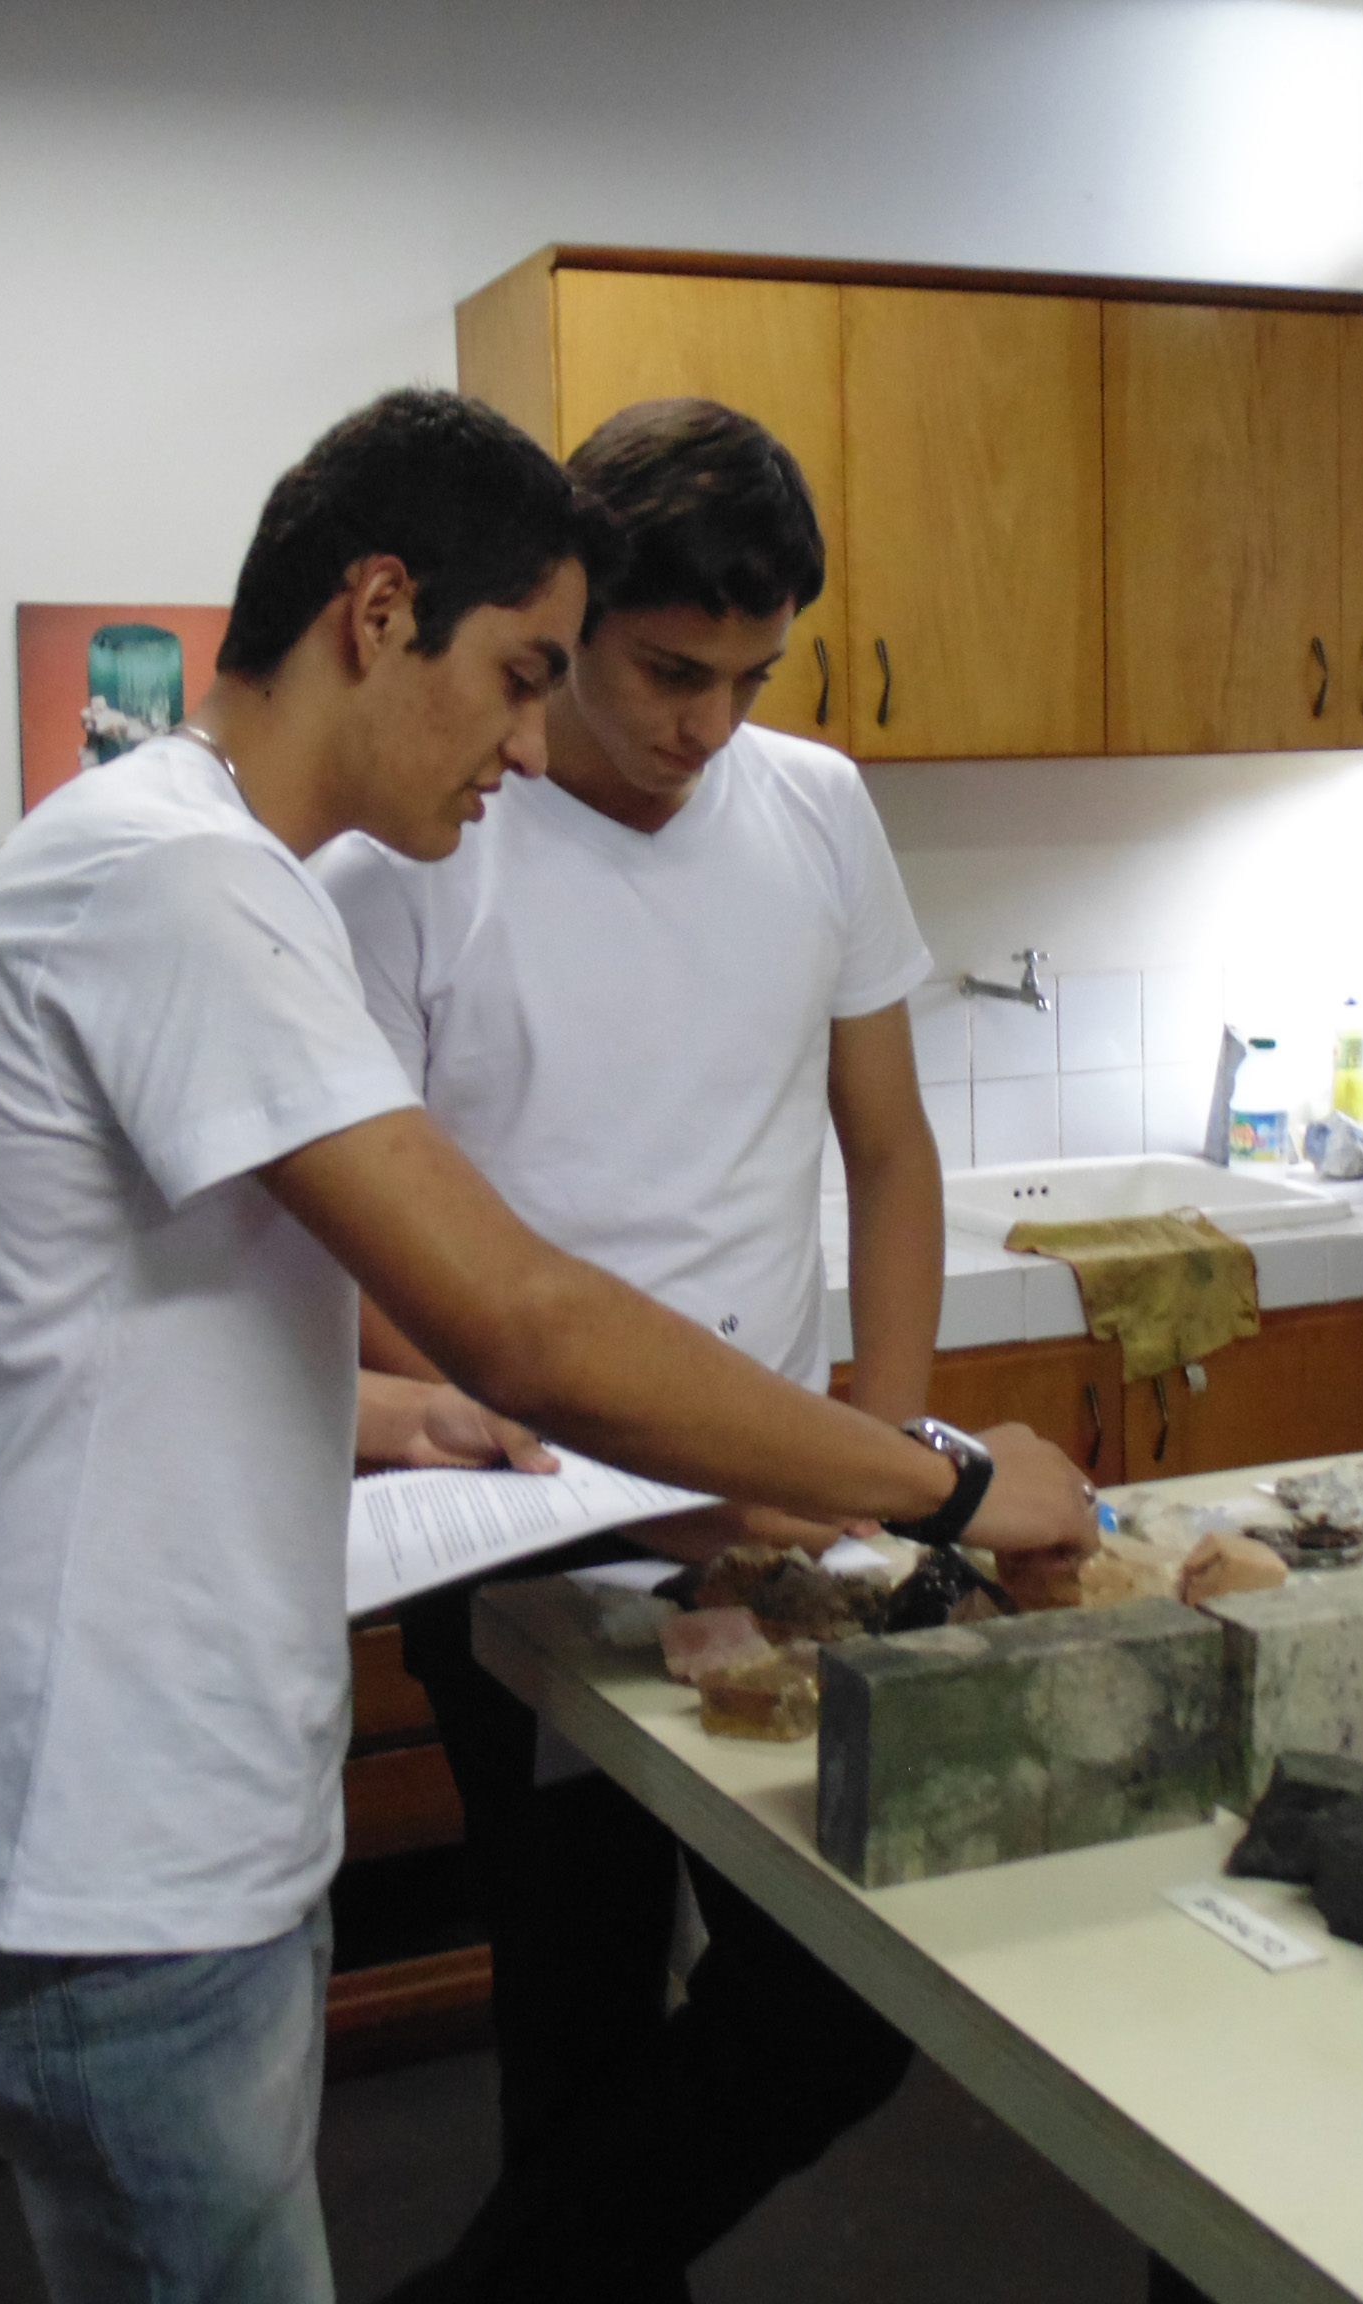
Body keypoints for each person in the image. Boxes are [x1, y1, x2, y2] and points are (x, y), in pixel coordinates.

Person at [0, 387, 1097, 2304]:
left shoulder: (190, 864)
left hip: (172, 1814)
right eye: (528, 677)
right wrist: (934, 1481)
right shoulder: (180, 887)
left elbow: (170, 1319)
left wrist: (392, 1416)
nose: (533, 747)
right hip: (115, 1835)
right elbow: (522, 1318)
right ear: (381, 613)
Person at [320, 398, 945, 2304]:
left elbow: (889, 1150)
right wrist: (540, 1452)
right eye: (671, 672)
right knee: (578, 2017)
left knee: (845, 1998)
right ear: (570, 617)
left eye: (753, 679)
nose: (708, 726)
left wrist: (887, 1455)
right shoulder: (416, 855)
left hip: (776, 1513)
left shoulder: (816, 810)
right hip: (521, 1528)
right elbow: (362, 1254)